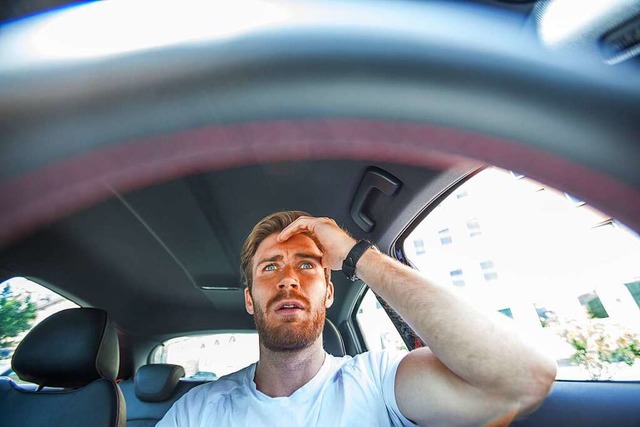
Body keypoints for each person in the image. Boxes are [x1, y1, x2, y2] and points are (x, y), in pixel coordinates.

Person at [158, 211, 556, 427]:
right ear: (249, 299)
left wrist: (354, 254)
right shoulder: (198, 411)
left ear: (329, 292)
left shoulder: (379, 381)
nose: (288, 280)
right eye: (269, 268)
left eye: (307, 265)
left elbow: (525, 380)